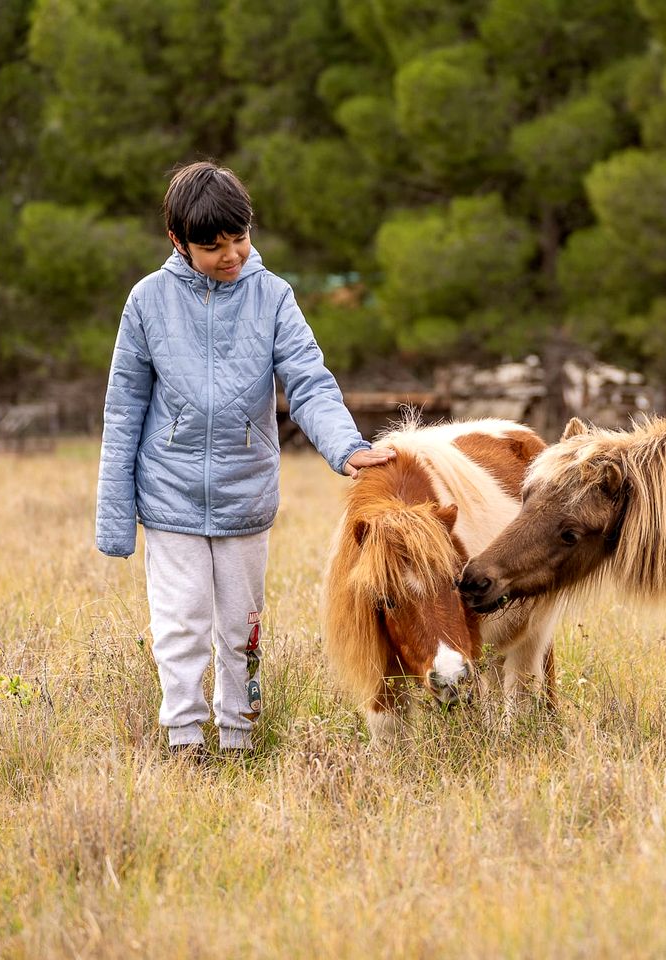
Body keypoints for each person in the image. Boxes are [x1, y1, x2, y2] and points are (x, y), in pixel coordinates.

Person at [95, 160, 393, 756]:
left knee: (242, 629)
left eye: (240, 239)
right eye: (211, 246)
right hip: (169, 497)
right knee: (181, 627)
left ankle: (239, 736)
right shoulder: (147, 301)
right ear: (178, 242)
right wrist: (114, 517)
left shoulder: (273, 296)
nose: (230, 255)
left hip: (244, 498)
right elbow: (123, 408)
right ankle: (184, 741)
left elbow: (309, 382)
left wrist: (348, 447)